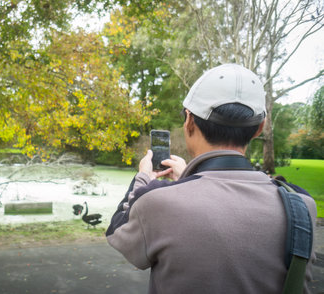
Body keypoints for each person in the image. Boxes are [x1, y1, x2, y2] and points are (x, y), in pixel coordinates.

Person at [106, 64, 317, 294]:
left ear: (189, 121)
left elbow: (118, 233)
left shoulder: (158, 202)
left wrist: (144, 177)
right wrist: (190, 178)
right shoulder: (302, 205)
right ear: (259, 128)